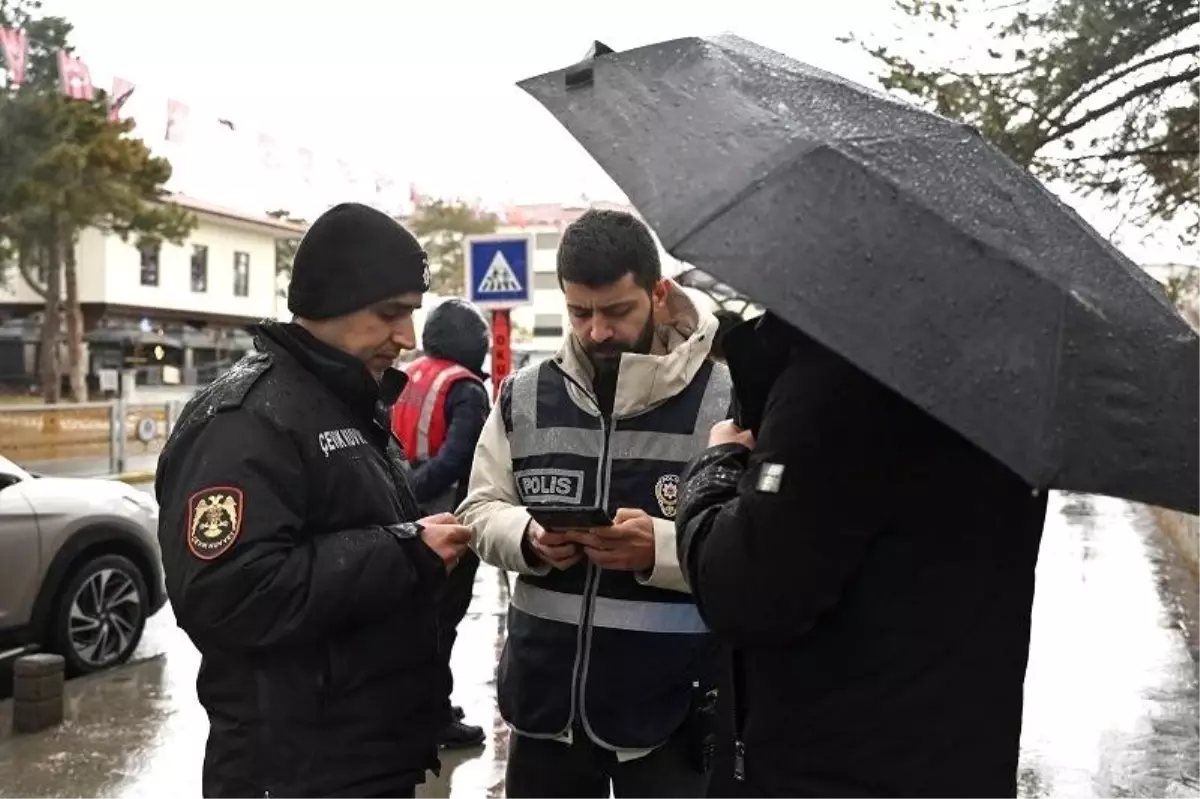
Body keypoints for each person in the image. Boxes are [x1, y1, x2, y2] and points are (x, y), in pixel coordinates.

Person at [155, 202, 473, 799]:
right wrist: (407, 552)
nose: (407, 338)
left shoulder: (340, 399)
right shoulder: (247, 418)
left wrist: (423, 548)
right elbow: (230, 591)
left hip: (364, 752)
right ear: (332, 303)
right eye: (390, 314)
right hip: (296, 767)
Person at [675, 312, 1048, 799]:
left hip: (828, 766)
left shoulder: (839, 379)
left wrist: (716, 466)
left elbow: (743, 591)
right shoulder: (1013, 383)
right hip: (958, 758)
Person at [457, 209, 732, 799]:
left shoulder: (727, 396)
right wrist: (527, 537)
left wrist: (658, 547)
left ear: (658, 294)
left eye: (616, 311)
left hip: (673, 714)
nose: (596, 331)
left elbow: (758, 547)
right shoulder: (524, 393)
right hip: (542, 709)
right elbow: (479, 509)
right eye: (579, 312)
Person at [392, 297, 491, 749]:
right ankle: (432, 717)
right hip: (447, 522)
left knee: (413, 620)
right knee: (440, 623)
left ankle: (424, 703)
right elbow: (459, 459)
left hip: (397, 519)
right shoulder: (466, 388)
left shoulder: (406, 375)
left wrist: (398, 494)